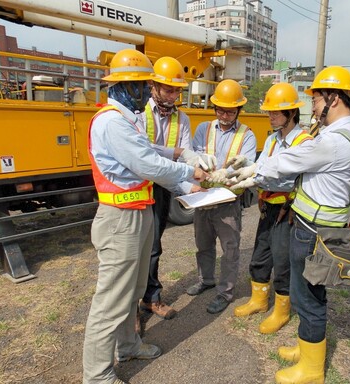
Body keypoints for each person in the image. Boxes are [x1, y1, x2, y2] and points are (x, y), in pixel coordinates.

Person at [229, 66, 350, 384]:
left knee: (309, 298)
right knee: (307, 294)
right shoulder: (342, 135)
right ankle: (307, 350)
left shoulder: (331, 142)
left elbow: (287, 163)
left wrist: (247, 169)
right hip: (317, 226)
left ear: (333, 98)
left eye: (316, 99)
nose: (313, 106)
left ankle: (312, 371)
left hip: (315, 230)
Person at [83, 48, 207, 384]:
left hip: (136, 215)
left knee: (132, 289)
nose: (147, 92)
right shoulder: (111, 121)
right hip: (120, 219)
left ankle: (128, 345)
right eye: (142, 86)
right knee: (112, 298)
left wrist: (179, 152)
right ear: (125, 87)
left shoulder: (126, 120)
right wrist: (188, 170)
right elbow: (147, 164)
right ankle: (96, 375)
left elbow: (150, 150)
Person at [232, 83, 312, 334]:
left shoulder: (304, 142)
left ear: (291, 113)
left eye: (276, 113)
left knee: (283, 260)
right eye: (269, 112)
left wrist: (256, 178)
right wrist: (247, 164)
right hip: (268, 206)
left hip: (286, 211)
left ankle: (281, 310)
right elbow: (263, 164)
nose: (271, 116)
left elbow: (289, 178)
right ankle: (258, 300)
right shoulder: (272, 139)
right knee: (260, 255)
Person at [138, 56, 213, 321]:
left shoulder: (182, 119)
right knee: (134, 249)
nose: (173, 95)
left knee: (154, 246)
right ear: (153, 86)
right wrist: (182, 177)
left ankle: (151, 298)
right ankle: (131, 309)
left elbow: (183, 157)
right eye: (168, 89)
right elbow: (145, 153)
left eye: (177, 90)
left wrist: (190, 185)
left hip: (160, 190)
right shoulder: (138, 114)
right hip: (136, 188)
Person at [186, 79, 257, 314]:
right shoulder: (203, 128)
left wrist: (223, 173)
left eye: (230, 110)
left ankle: (225, 292)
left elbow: (245, 165)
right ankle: (206, 280)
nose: (224, 115)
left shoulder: (247, 135)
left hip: (228, 200)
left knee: (230, 248)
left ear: (238, 110)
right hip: (204, 197)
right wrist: (198, 160)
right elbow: (194, 154)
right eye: (220, 110)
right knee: (203, 244)